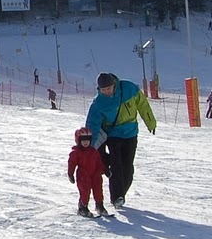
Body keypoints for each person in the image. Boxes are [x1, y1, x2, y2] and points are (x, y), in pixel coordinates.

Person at [85, 72, 156, 209]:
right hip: (113, 135)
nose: (106, 92)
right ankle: (117, 197)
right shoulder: (98, 103)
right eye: (103, 89)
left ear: (114, 84)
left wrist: (150, 122)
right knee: (116, 166)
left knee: (127, 167)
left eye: (109, 88)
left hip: (130, 133)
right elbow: (92, 125)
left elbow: (143, 105)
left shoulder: (129, 89)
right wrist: (90, 146)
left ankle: (121, 192)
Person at [66, 126, 109, 218]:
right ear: (78, 140)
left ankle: (99, 206)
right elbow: (72, 163)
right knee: (85, 191)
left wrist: (105, 170)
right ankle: (83, 207)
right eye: (83, 140)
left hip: (95, 174)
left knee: (98, 190)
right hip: (83, 175)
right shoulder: (76, 152)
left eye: (88, 140)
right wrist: (70, 174)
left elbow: (99, 162)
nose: (86, 142)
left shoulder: (93, 151)